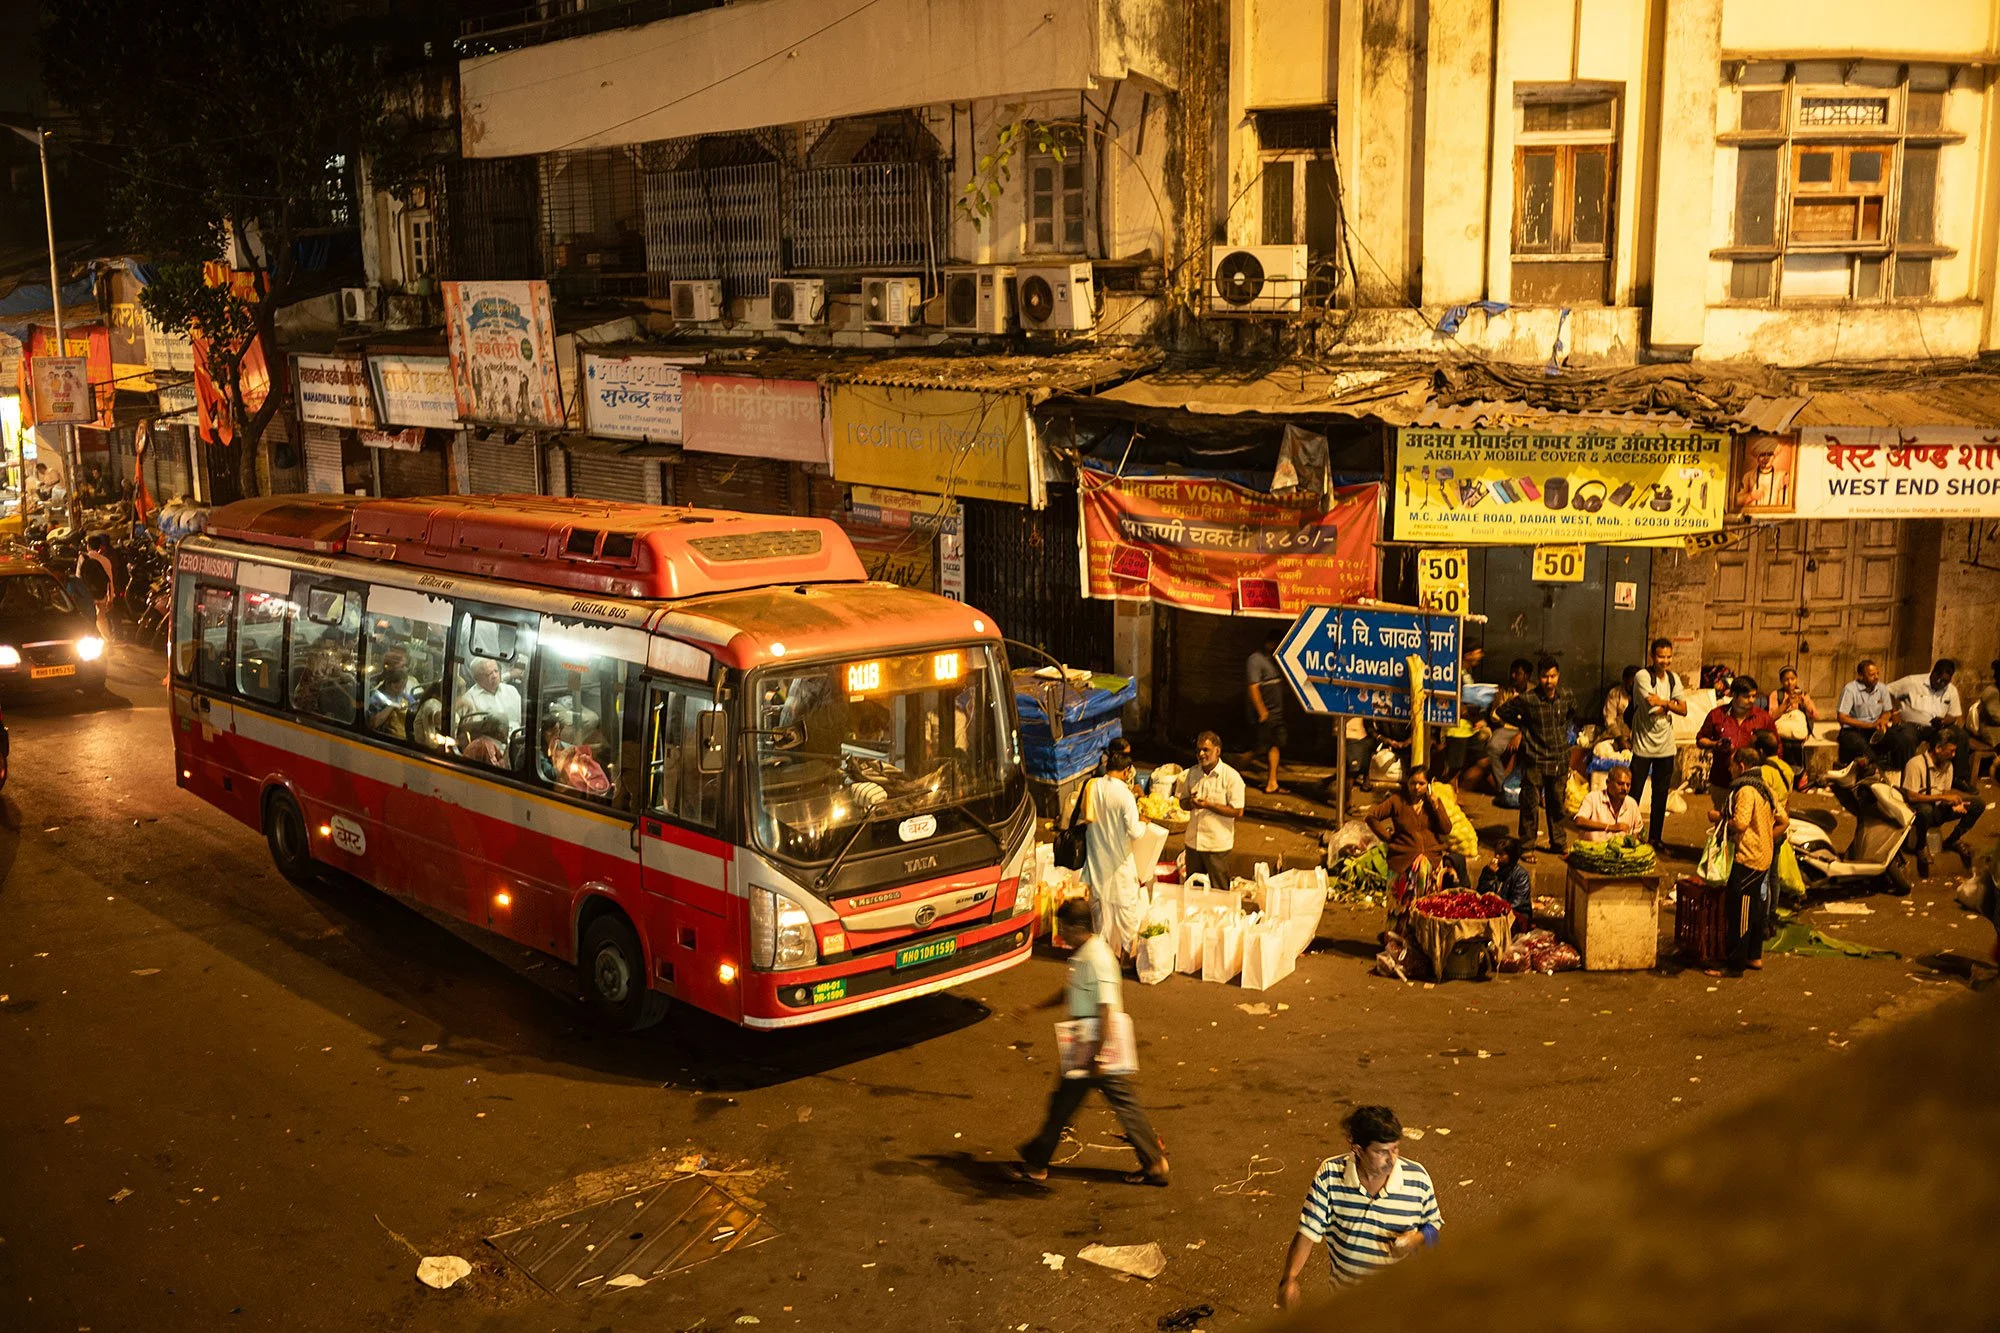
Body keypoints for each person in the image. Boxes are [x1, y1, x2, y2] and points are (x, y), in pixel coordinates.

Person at [1014, 900, 1169, 1187]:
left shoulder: (1097, 958)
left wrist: (1097, 1057)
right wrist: (1034, 1008)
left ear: (1076, 928)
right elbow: (1070, 992)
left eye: (1063, 927)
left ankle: (1037, 1163)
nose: (1060, 933)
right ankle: (1153, 1162)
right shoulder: (1084, 954)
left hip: (1097, 1044)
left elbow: (1106, 1007)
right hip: (1086, 1041)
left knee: (1096, 1104)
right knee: (1070, 1103)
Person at [1276, 1105, 1441, 1305]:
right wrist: (1290, 1278)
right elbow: (1308, 1231)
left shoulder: (1417, 1178)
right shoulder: (1330, 1175)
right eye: (1381, 1151)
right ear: (1358, 1150)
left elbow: (1434, 1226)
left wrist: (1416, 1239)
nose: (1392, 1159)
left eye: (1395, 1148)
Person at [1707, 746, 1782, 977]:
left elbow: (1739, 823)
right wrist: (1766, 837)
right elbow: (1784, 820)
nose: (1729, 770)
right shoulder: (1765, 788)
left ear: (1741, 766)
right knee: (1757, 908)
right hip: (1763, 855)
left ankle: (1735, 964)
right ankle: (1754, 956)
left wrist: (1719, 818)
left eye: (1731, 765)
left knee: (1741, 909)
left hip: (1748, 856)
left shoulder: (1746, 790)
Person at [1495, 656, 1576, 854]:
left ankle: (1558, 843)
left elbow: (1571, 714)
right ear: (1538, 677)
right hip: (1536, 758)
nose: (1549, 681)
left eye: (1553, 676)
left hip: (1559, 758)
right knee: (1530, 804)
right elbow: (1502, 711)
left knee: (1557, 803)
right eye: (1545, 677)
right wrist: (1524, 724)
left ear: (1558, 676)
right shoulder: (1528, 699)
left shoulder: (1566, 696)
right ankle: (1527, 845)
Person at [1080, 742, 1146, 957]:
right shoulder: (1124, 795)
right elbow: (1135, 832)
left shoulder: (1094, 786)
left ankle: (1100, 956)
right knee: (1127, 912)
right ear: (1126, 771)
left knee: (1100, 917)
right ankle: (1128, 956)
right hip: (1119, 864)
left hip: (1096, 862)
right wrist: (1143, 822)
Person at [1901, 727, 1986, 878]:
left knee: (1977, 804)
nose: (1953, 755)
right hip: (1918, 812)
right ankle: (1920, 848)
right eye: (1951, 751)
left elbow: (1945, 792)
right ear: (1938, 748)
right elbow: (1911, 797)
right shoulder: (1915, 764)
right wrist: (1942, 798)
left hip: (1938, 808)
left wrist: (1953, 803)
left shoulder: (1948, 766)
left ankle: (1952, 840)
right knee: (1925, 811)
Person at [1628, 638, 1687, 847]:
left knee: (1660, 796)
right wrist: (1671, 705)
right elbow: (1652, 708)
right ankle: (1630, 835)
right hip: (1643, 745)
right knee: (1634, 793)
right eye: (1661, 656)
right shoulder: (1642, 677)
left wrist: (1663, 702)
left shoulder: (1673, 678)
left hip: (1666, 746)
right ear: (1652, 656)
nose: (1665, 661)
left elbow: (1684, 709)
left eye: (1669, 656)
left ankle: (1655, 838)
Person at [1366, 764, 1456, 887]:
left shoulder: (1433, 802)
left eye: (1421, 783)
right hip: (1403, 860)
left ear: (1428, 785)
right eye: (1413, 783)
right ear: (1407, 783)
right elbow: (1371, 817)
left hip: (1431, 860)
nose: (1416, 787)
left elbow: (1446, 829)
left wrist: (1436, 807)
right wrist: (1388, 838)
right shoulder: (1396, 801)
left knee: (1427, 904)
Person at [1177, 731, 1245, 886]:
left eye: (1206, 750)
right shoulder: (1192, 773)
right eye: (1198, 750)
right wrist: (1191, 803)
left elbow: (1238, 811)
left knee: (1219, 891)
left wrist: (1209, 805)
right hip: (1193, 843)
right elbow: (1182, 802)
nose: (1201, 754)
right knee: (1194, 890)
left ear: (1217, 751)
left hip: (1217, 845)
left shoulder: (1231, 777)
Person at [1698, 677, 1774, 813]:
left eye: (1753, 696)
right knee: (1723, 820)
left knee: (1745, 823)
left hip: (1753, 784)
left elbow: (1775, 748)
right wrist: (1715, 744)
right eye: (1746, 696)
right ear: (1733, 695)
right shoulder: (1717, 715)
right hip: (1722, 781)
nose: (1751, 700)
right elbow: (1700, 739)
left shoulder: (1763, 718)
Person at [1889, 660, 1966, 786]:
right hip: (1912, 724)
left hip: (1936, 727)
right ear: (1933, 674)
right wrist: (1892, 711)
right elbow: (1886, 691)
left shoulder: (1951, 690)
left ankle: (1959, 778)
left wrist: (1943, 721)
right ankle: (1907, 779)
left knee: (1960, 735)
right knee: (1906, 738)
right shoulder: (1912, 682)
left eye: (1946, 682)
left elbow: (1954, 715)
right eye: (1940, 680)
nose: (1942, 684)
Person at [1247, 631, 1287, 795]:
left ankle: (1272, 783)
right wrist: (1262, 711)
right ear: (1268, 643)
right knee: (1259, 748)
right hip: (1266, 714)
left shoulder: (1275, 660)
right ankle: (1232, 767)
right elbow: (1253, 687)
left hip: (1277, 714)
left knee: (1275, 745)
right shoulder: (1255, 660)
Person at [1835, 658, 1897, 765]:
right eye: (1872, 674)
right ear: (1861, 675)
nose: (1876, 677)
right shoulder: (1850, 690)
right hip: (1854, 730)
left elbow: (1888, 711)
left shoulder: (1882, 688)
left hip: (1875, 729)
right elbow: (1842, 717)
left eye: (1877, 673)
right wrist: (1869, 725)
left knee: (1900, 739)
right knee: (1865, 751)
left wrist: (1882, 721)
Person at [453, 657, 523, 740]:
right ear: (477, 678)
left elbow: (521, 720)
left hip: (517, 742)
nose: (494, 676)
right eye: (489, 673)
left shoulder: (512, 691)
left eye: (496, 671)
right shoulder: (469, 699)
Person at [1769, 666, 1819, 784]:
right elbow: (1771, 716)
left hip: (1798, 731)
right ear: (1781, 681)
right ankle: (1789, 776)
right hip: (1783, 730)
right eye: (1786, 679)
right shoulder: (1776, 695)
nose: (1790, 682)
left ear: (1796, 679)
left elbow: (1816, 715)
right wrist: (1786, 704)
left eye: (1792, 679)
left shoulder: (1803, 694)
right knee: (1786, 745)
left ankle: (1799, 776)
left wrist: (1805, 703)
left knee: (1797, 746)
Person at [1476, 836, 1534, 933]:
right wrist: (1489, 875)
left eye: (1501, 855)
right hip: (1495, 911)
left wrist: (1500, 909)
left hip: (1515, 913)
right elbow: (1481, 893)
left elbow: (1517, 902)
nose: (1496, 857)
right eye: (1496, 853)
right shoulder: (1489, 870)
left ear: (1511, 856)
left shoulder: (1521, 875)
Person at [1573, 764, 1643, 843]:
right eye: (1620, 784)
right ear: (1608, 783)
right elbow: (1579, 821)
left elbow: (1638, 831)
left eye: (1628, 785)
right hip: (1592, 850)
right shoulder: (1593, 798)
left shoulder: (1632, 804)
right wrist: (1611, 827)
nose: (1625, 788)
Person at [366, 663, 412, 740]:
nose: (400, 690)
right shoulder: (376, 698)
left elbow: (413, 704)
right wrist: (392, 705)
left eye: (403, 687)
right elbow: (373, 723)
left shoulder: (401, 695)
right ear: (387, 683)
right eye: (396, 687)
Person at [1601, 665, 1638, 747]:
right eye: (1632, 682)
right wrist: (1619, 737)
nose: (1634, 686)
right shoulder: (1615, 693)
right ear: (1625, 680)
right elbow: (1609, 719)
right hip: (1617, 735)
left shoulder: (1644, 694)